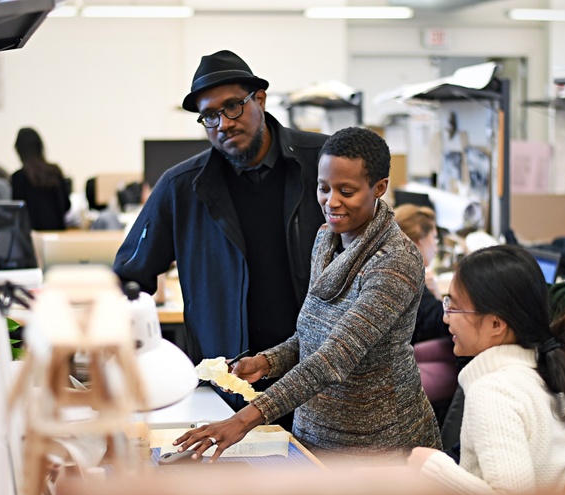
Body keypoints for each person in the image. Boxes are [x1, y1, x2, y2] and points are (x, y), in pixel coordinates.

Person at [174, 127, 442, 462]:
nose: (331, 202)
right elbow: (312, 335)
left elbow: (334, 358)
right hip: (315, 433)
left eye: (346, 191)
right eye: (323, 188)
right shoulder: (325, 239)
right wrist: (266, 361)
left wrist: (245, 419)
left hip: (378, 446)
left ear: (380, 188)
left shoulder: (394, 262)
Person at [112, 50, 329, 419]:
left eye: (232, 107)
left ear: (259, 99)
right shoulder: (182, 187)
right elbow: (128, 279)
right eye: (209, 115)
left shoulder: (321, 161)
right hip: (231, 387)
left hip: (321, 376)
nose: (222, 124)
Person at [406, 244, 565, 495]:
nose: (446, 317)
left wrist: (434, 468)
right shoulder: (542, 370)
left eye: (454, 307)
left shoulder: (493, 392)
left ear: (495, 324)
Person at [393, 203, 451, 343]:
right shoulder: (409, 277)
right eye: (434, 238)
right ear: (420, 239)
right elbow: (444, 322)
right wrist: (440, 297)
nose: (436, 249)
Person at [11, 127, 71, 231]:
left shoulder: (18, 177)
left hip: (31, 236)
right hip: (57, 234)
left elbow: (17, 212)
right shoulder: (55, 171)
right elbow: (66, 205)